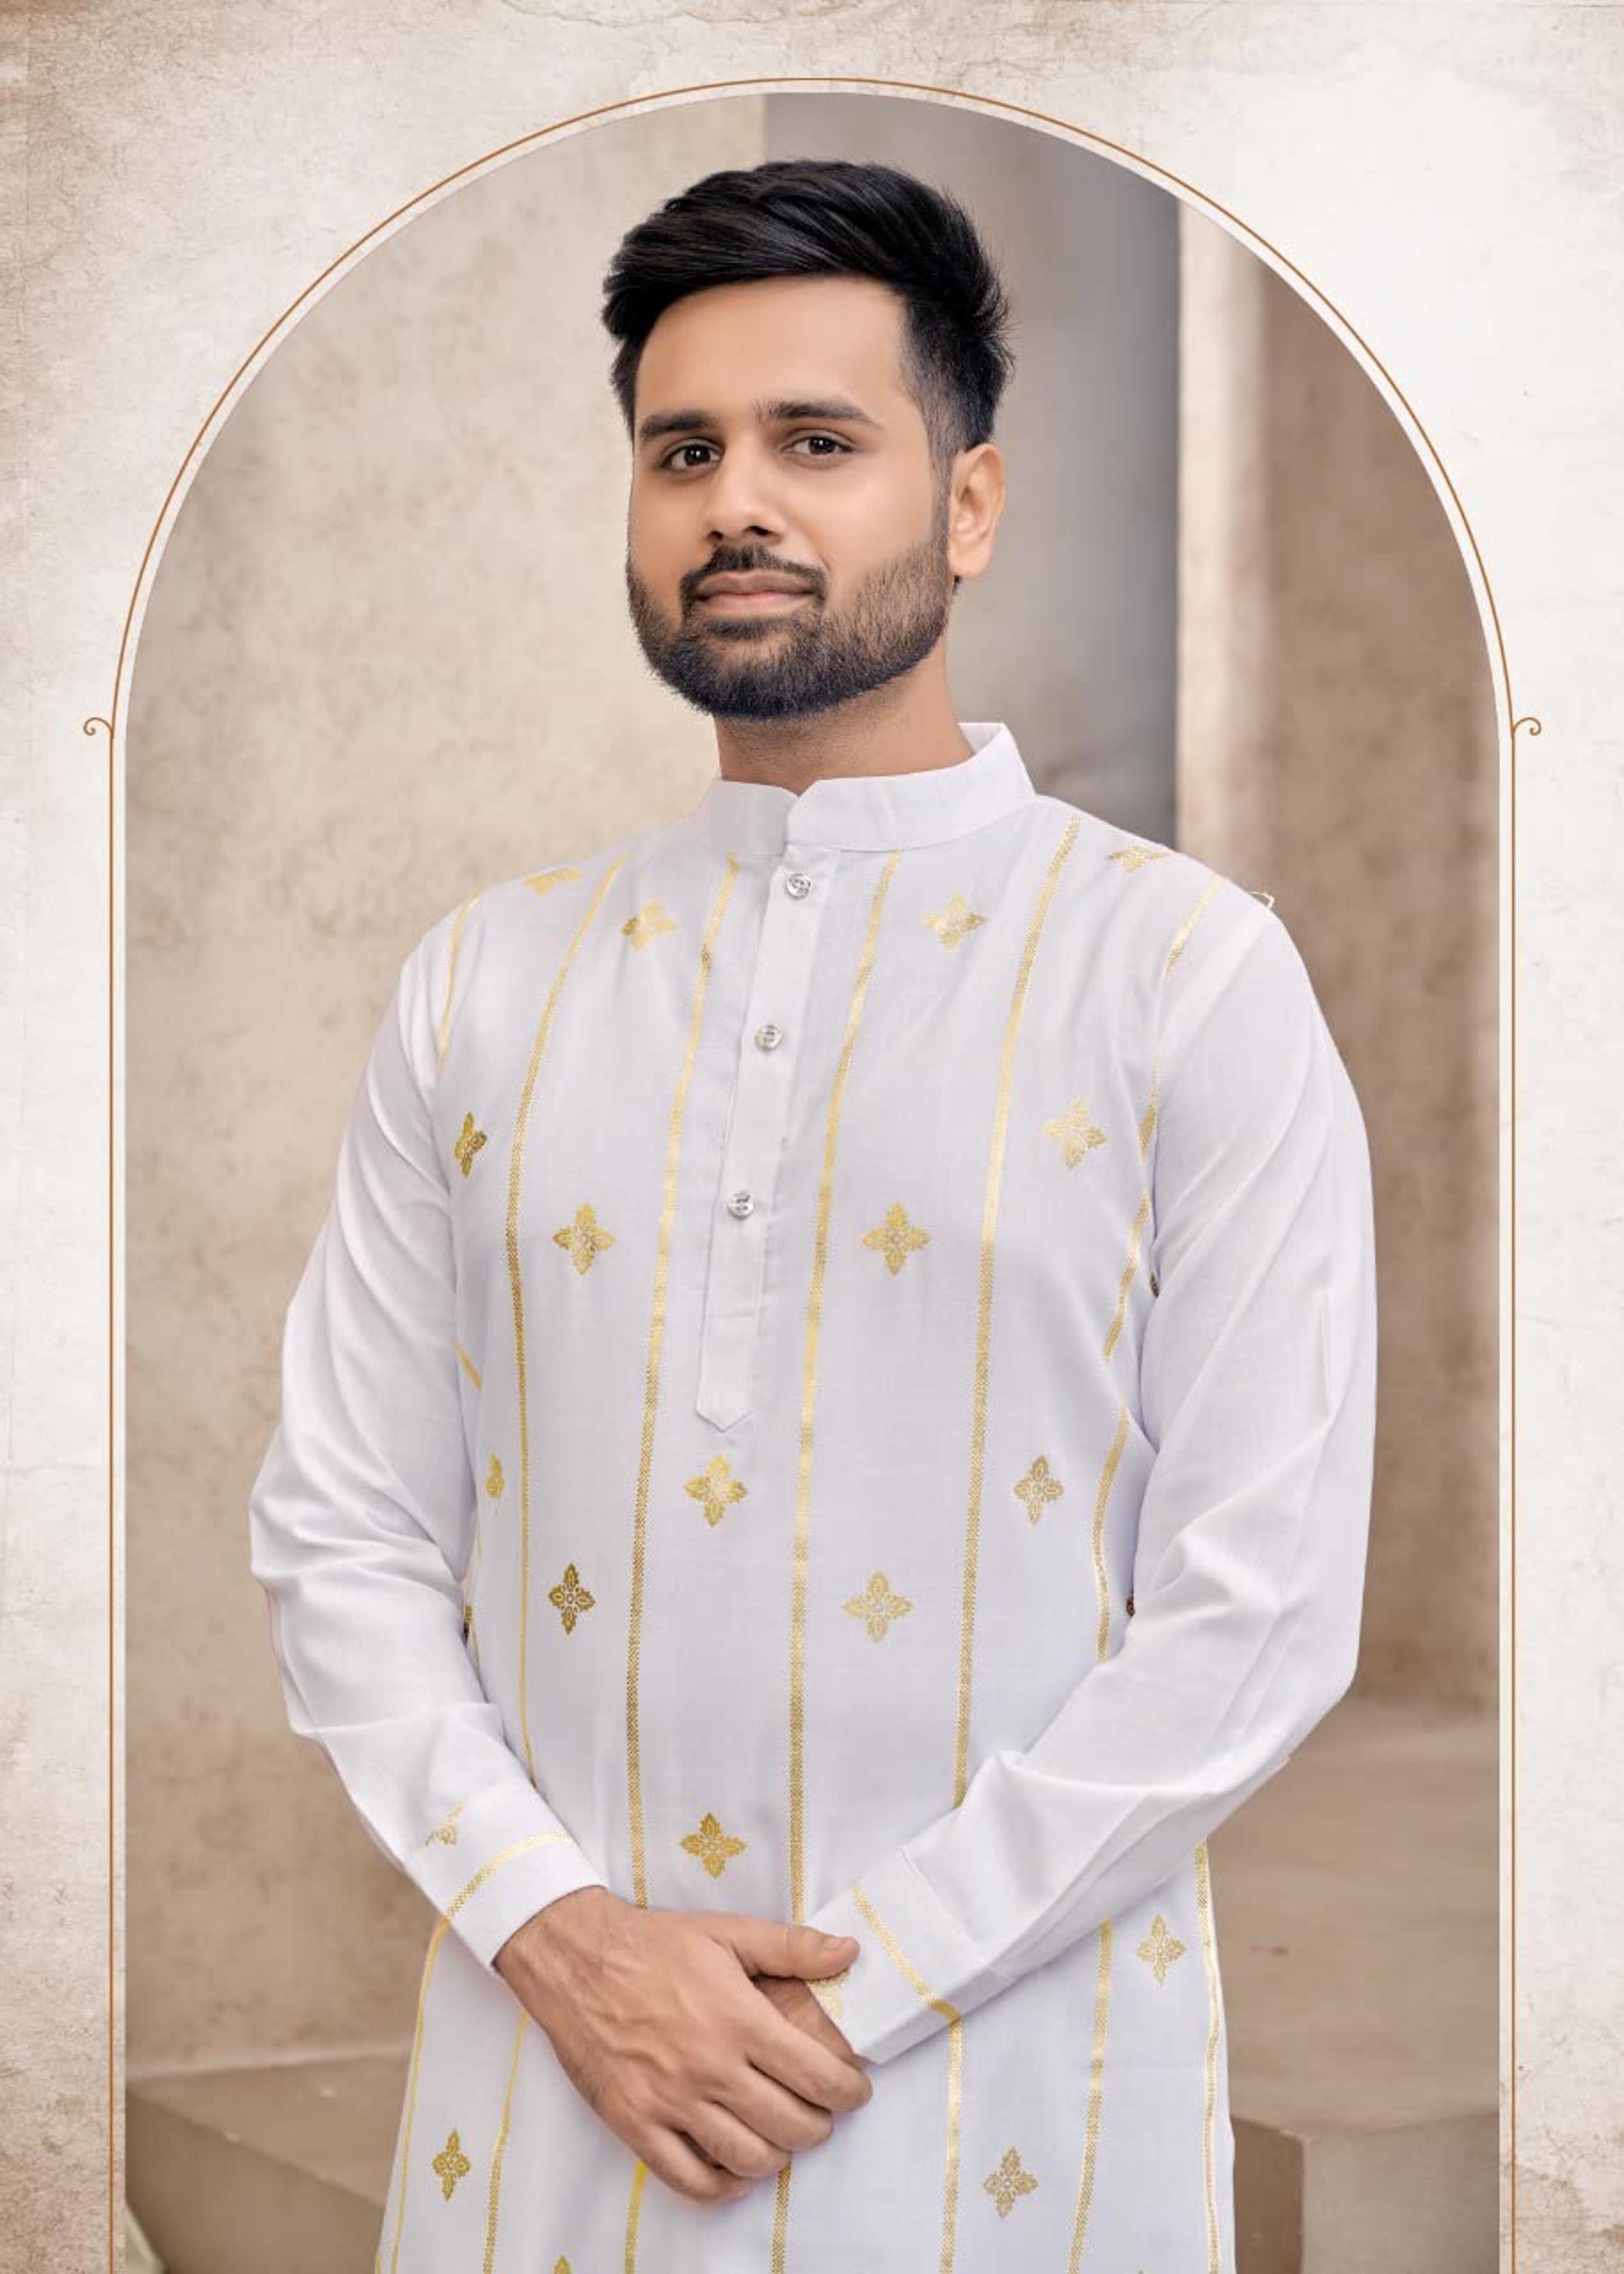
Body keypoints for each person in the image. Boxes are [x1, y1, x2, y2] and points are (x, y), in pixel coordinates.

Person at [247, 156, 1378, 2274]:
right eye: (683, 451)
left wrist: (843, 1996)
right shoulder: (483, 982)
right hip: (546, 2071)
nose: (735, 503)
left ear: (968, 502)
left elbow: (1255, 1610)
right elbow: (345, 1527)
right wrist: (566, 1939)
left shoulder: (1177, 973)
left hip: (1010, 2100)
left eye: (818, 442)